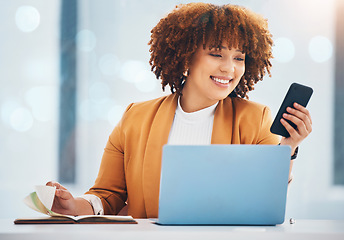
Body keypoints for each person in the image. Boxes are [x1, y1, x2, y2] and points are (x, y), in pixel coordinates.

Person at [46, 2, 312, 218]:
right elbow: (107, 196)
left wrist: (288, 148)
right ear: (186, 57)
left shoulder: (256, 119)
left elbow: (265, 201)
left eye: (239, 58)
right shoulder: (135, 118)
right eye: (217, 54)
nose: (229, 68)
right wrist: (73, 206)